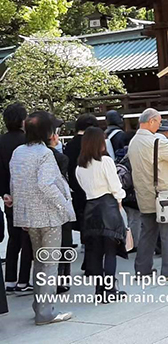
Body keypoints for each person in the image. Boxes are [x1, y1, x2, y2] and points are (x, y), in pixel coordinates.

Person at [10, 111, 75, 325]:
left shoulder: (18, 152)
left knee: (40, 262)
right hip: (48, 216)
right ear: (47, 131)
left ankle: (40, 307)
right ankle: (45, 313)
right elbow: (46, 184)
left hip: (28, 216)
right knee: (49, 265)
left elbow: (15, 183)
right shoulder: (44, 153)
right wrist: (65, 207)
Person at [128, 108, 168, 279]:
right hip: (163, 194)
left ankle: (143, 270)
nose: (159, 125)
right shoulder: (157, 142)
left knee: (147, 233)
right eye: (158, 121)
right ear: (151, 121)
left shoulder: (133, 142)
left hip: (143, 194)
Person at [75, 127, 128, 301]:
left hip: (91, 209)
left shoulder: (80, 166)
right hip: (108, 207)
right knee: (110, 251)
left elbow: (84, 189)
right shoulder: (105, 162)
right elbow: (115, 186)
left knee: (96, 253)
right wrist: (120, 199)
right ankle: (110, 290)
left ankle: (99, 291)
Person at [0, 103, 32, 295]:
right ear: (23, 120)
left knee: (14, 238)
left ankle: (9, 279)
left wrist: (4, 194)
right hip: (26, 196)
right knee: (27, 238)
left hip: (8, 198)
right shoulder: (27, 141)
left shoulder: (1, 141)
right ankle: (23, 281)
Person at [46, 119, 72, 293]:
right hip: (58, 203)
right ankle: (62, 277)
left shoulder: (22, 152)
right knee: (64, 242)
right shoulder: (58, 157)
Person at [65, 113, 99, 238]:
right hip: (93, 185)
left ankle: (84, 239)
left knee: (81, 213)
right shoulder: (93, 144)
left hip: (75, 185)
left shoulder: (70, 144)